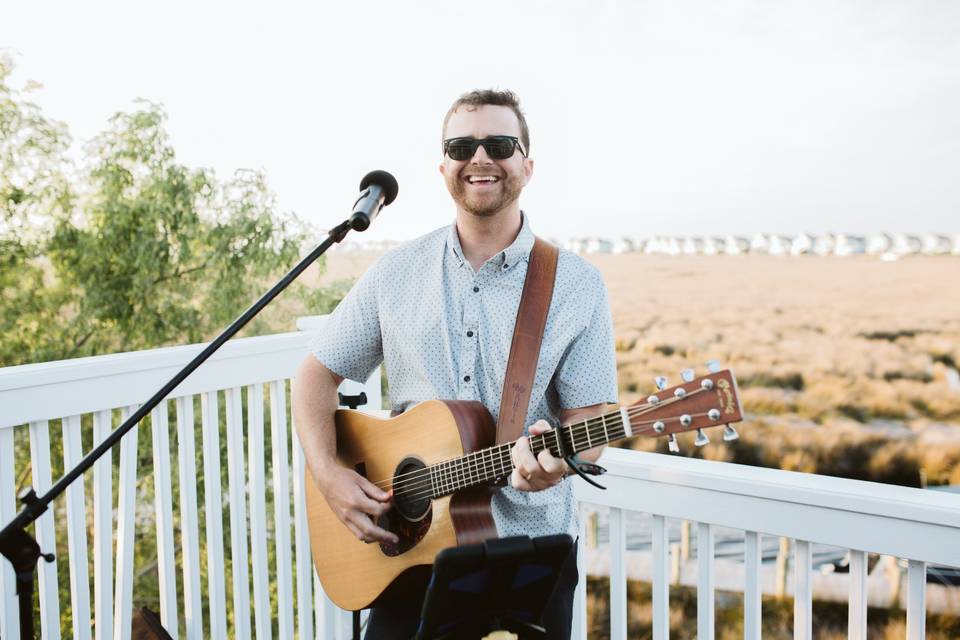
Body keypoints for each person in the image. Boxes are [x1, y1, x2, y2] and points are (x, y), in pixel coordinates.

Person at [293, 89, 618, 639]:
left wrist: (557, 463)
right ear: (443, 165)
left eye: (500, 143)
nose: (481, 158)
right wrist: (328, 474)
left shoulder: (576, 284)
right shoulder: (395, 273)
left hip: (528, 562)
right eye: (463, 145)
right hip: (406, 554)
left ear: (527, 165)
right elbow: (314, 375)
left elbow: (591, 423)